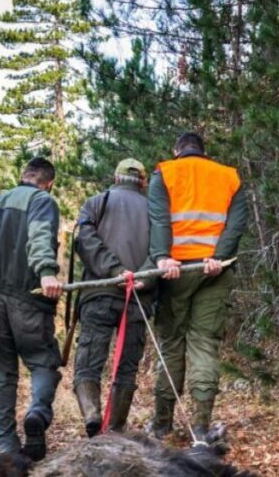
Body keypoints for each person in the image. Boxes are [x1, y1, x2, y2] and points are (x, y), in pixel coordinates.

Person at [147, 132, 247, 441]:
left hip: (175, 270)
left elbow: (159, 221)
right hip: (213, 269)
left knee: (172, 345)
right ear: (204, 151)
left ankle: (162, 425)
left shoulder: (165, 173)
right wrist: (219, 257)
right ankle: (201, 428)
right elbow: (236, 225)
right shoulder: (229, 177)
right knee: (204, 344)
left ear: (177, 150)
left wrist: (162, 257)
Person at [0, 157, 63, 461]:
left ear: (23, 176)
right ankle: (36, 415)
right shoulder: (42, 201)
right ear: (48, 182)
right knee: (43, 361)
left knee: (1, 373)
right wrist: (47, 269)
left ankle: (8, 450)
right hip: (29, 297)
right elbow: (39, 236)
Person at [72, 158, 156, 438]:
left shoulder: (96, 202)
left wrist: (114, 271)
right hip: (138, 298)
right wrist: (142, 275)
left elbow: (85, 240)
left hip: (99, 293)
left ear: (116, 178)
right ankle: (117, 428)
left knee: (88, 361)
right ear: (143, 182)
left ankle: (93, 415)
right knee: (127, 367)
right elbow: (162, 249)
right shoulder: (155, 209)